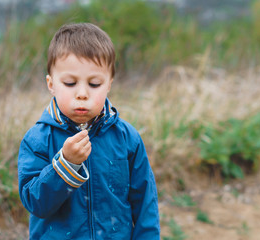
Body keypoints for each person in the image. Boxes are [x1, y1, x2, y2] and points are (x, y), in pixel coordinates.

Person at [18, 22, 160, 239]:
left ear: (109, 84)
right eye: (69, 83)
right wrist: (65, 165)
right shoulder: (37, 140)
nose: (82, 93)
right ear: (51, 84)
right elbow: (35, 203)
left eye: (94, 84)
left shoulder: (127, 138)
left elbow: (145, 203)